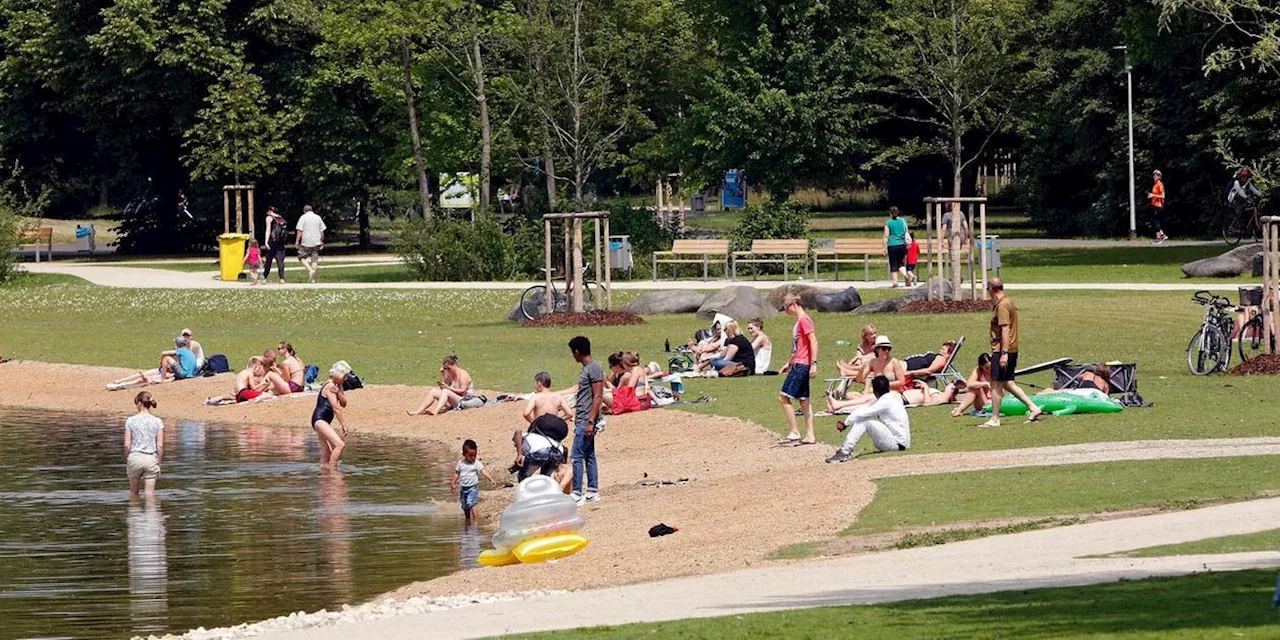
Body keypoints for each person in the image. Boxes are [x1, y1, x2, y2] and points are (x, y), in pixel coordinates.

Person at [984, 278, 1042, 427]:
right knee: (1008, 383)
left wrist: (1003, 353)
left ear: (992, 289)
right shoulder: (1008, 302)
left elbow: (1005, 329)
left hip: (1003, 349)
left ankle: (995, 418)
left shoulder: (1003, 305)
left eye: (987, 289)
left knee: (996, 384)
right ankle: (1033, 407)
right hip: (1010, 348)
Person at [826, 375, 909, 464]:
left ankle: (845, 452)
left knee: (865, 421)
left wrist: (846, 423)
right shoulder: (886, 399)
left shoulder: (885, 402)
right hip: (894, 441)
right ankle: (845, 451)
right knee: (863, 419)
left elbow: (863, 412)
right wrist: (843, 415)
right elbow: (863, 408)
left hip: (897, 444)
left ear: (875, 390)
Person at [514, 372, 572, 481]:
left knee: (530, 448)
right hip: (554, 432)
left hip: (540, 431)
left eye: (535, 383)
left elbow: (526, 413)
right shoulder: (558, 397)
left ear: (539, 383)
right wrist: (558, 420)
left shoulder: (536, 397)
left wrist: (535, 423)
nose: (535, 386)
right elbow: (569, 413)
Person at [569, 336, 604, 504]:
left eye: (572, 353)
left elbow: (598, 396)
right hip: (583, 417)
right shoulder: (588, 369)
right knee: (589, 454)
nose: (572, 357)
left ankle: (576, 492)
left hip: (586, 419)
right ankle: (592, 490)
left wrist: (591, 421)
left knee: (576, 455)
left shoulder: (593, 368)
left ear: (577, 352)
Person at [778, 294, 818, 445]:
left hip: (801, 365)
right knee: (804, 401)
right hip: (798, 363)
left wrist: (813, 363)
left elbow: (813, 341)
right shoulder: (799, 322)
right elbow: (797, 348)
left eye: (786, 308)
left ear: (794, 305)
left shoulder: (804, 321)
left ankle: (795, 431)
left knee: (783, 397)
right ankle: (810, 435)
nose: (786, 311)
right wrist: (788, 363)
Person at [108, 336, 199, 389]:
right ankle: (119, 382)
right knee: (144, 375)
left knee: (146, 377)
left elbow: (164, 354)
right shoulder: (187, 352)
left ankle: (120, 385)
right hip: (188, 374)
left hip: (182, 374)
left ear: (177, 344)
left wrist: (161, 363)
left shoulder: (180, 351)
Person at [406, 355, 477, 415]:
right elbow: (443, 388)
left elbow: (463, 391)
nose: (447, 370)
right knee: (433, 391)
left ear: (454, 365)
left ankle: (436, 411)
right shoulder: (450, 375)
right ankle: (418, 411)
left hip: (465, 401)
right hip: (454, 400)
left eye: (449, 368)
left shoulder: (462, 374)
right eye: (445, 369)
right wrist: (442, 375)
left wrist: (448, 388)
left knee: (446, 391)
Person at [125, 391, 165, 496]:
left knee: (133, 493)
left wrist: (128, 459)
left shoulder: (130, 421)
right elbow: (160, 446)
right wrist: (159, 464)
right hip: (151, 458)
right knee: (150, 495)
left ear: (139, 403)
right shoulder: (157, 421)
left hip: (135, 457)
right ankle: (151, 512)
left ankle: (134, 511)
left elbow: (127, 445)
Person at [312, 361, 351, 466]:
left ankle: (324, 473)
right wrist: (343, 424)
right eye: (345, 376)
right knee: (339, 445)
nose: (346, 379)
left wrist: (339, 393)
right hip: (320, 419)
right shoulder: (330, 386)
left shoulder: (338, 386)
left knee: (327, 451)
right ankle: (333, 470)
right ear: (339, 374)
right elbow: (336, 407)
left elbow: (344, 403)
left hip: (323, 420)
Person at [452, 439, 499, 526]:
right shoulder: (460, 463)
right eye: (470, 455)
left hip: (473, 487)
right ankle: (467, 520)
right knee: (465, 505)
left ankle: (475, 520)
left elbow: (483, 471)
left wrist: (491, 479)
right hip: (463, 488)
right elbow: (456, 473)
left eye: (475, 455)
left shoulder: (476, 463)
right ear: (464, 454)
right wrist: (453, 483)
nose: (473, 457)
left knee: (471, 503)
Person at [203, 356, 276, 404]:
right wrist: (264, 384)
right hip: (243, 393)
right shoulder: (250, 373)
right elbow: (254, 388)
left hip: (238, 395)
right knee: (268, 395)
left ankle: (210, 401)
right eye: (259, 368)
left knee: (225, 397)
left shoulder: (243, 372)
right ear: (256, 366)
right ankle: (255, 400)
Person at [951, 353, 993, 417]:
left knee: (978, 387)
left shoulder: (995, 370)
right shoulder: (978, 371)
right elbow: (969, 384)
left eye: (991, 367)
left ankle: (958, 409)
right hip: (982, 402)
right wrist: (985, 384)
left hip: (994, 400)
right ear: (981, 366)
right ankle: (959, 410)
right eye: (987, 368)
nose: (989, 369)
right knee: (976, 388)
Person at [295, 204, 326, 284]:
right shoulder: (318, 217)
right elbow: (322, 231)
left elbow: (300, 230)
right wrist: (322, 241)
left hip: (306, 242)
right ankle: (312, 279)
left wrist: (297, 241)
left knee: (301, 257)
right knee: (314, 260)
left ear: (304, 211)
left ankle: (310, 270)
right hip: (316, 242)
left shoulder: (303, 217)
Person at [883, 206, 910, 287]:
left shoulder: (888, 223)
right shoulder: (903, 221)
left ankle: (895, 282)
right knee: (901, 263)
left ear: (890, 213)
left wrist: (884, 247)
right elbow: (906, 231)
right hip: (902, 245)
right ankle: (905, 275)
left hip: (892, 245)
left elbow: (886, 236)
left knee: (893, 263)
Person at [263, 205, 288, 283]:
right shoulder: (280, 218)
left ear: (269, 211)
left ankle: (264, 277)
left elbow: (268, 230)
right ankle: (282, 278)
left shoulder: (269, 218)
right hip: (280, 242)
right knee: (280, 260)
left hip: (272, 241)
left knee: (268, 261)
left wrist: (266, 242)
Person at [1147, 170, 1168, 244]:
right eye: (1153, 175)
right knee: (1154, 221)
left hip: (1159, 205)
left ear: (1159, 176)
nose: (1154, 176)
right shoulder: (1155, 184)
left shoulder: (1160, 184)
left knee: (1156, 221)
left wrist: (1153, 195)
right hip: (1155, 204)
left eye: (1156, 175)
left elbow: (1163, 196)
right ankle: (1162, 235)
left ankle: (1158, 238)